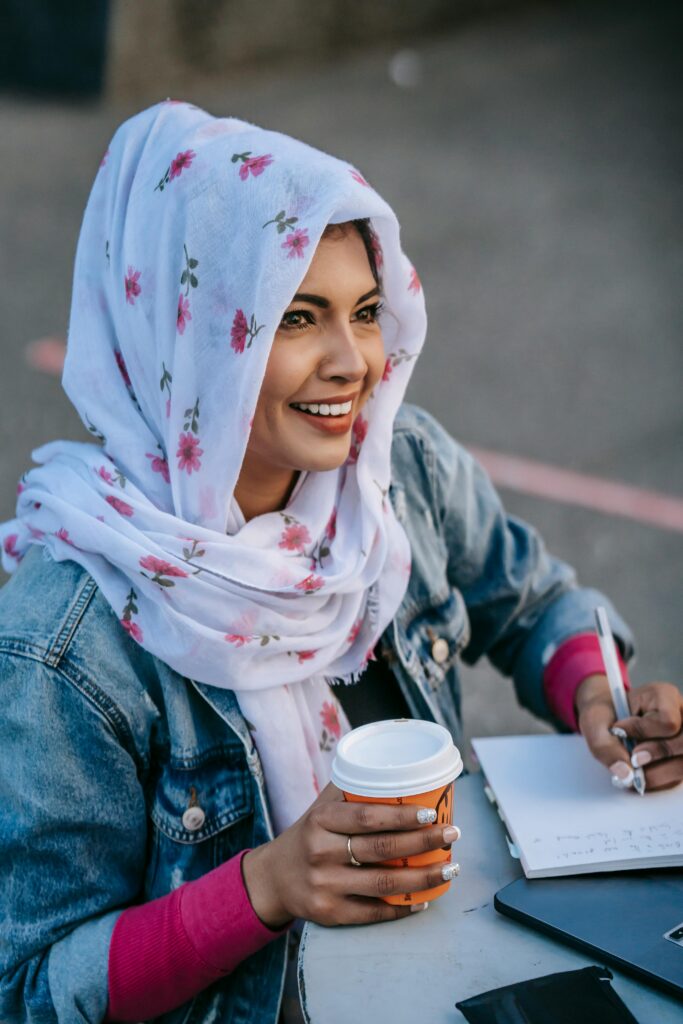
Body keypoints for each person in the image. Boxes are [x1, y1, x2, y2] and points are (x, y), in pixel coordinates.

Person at [0, 102, 681, 1024]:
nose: (353, 361)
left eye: (365, 313)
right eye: (293, 318)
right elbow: (33, 988)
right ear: (186, 332)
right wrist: (266, 888)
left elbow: (532, 603)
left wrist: (595, 694)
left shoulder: (397, 474)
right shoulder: (62, 640)